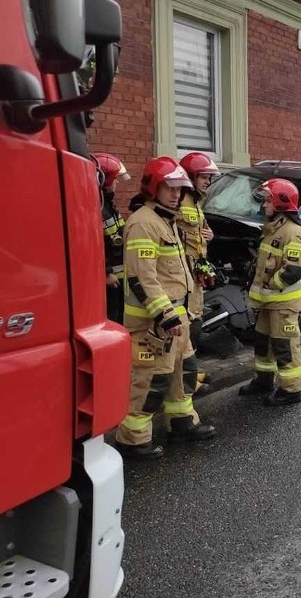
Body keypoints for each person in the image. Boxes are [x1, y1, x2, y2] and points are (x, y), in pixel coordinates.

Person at [114, 157, 216, 460]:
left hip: (177, 319)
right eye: (169, 188)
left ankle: (182, 424)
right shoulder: (144, 222)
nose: (176, 194)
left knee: (182, 373)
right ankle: (132, 439)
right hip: (153, 324)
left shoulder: (167, 220)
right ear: (153, 187)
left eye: (180, 189)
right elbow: (141, 277)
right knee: (150, 381)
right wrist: (165, 314)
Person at [238, 178, 301, 406]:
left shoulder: (292, 232)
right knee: (263, 343)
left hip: (283, 304)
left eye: (268, 200)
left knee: (284, 347)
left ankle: (291, 390)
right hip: (269, 303)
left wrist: (270, 285)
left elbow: (294, 270)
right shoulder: (271, 229)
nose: (263, 205)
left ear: (280, 203)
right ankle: (263, 380)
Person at [177, 152, 220, 397]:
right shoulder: (180, 200)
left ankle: (190, 371)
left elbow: (198, 231)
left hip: (196, 274)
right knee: (190, 325)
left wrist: (209, 235)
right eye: (204, 177)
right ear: (191, 176)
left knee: (195, 322)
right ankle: (186, 379)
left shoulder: (194, 201)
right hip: (184, 275)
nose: (208, 182)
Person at [94, 152, 131, 324]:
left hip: (118, 277)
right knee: (111, 318)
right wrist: (106, 273)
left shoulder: (107, 204)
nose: (117, 183)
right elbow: (94, 246)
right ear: (104, 180)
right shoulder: (97, 207)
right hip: (109, 280)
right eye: (115, 179)